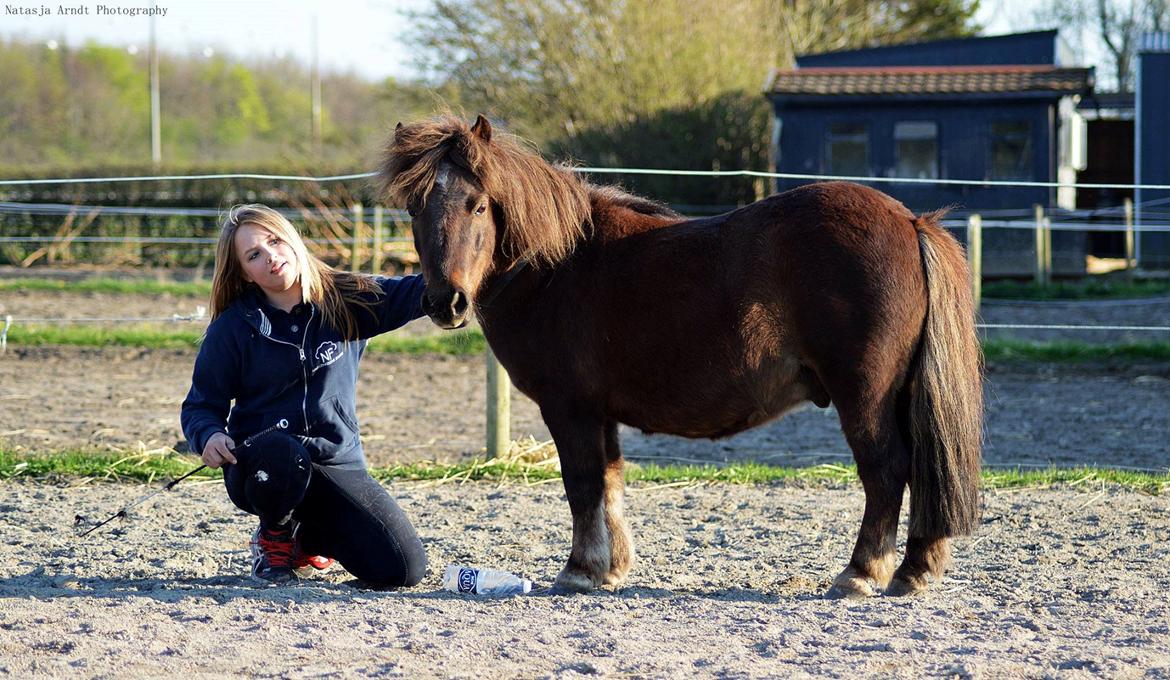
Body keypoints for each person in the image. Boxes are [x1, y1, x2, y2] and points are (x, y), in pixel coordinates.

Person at [181, 203, 428, 586]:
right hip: (263, 464)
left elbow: (420, 291)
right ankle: (273, 537)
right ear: (245, 273)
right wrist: (208, 435)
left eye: (275, 241)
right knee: (281, 453)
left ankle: (307, 538)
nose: (270, 257)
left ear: (293, 239)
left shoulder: (347, 299)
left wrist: (466, 268)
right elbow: (200, 406)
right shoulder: (233, 328)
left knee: (402, 570)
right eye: (254, 255)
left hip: (336, 462)